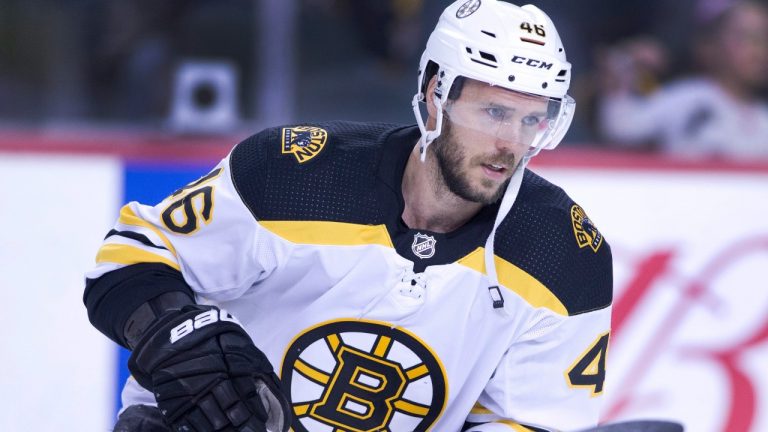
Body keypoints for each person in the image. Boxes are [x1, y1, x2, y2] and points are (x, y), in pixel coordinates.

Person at [84, 1, 613, 431]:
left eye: (530, 120)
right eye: (494, 112)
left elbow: (526, 420)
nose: (510, 144)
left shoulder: (564, 258)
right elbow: (129, 259)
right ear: (435, 97)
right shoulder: (294, 175)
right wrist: (180, 340)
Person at [597, 0, 768, 160]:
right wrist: (619, 84)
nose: (759, 51)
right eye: (746, 37)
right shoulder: (688, 98)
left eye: (764, 39)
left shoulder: (763, 116)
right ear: (709, 45)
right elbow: (623, 129)